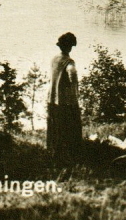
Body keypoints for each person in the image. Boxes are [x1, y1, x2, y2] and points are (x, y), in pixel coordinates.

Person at [47, 32, 82, 161]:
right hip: (65, 101)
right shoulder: (69, 61)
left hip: (52, 98)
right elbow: (72, 73)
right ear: (70, 47)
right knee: (69, 128)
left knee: (54, 127)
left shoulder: (54, 59)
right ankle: (70, 155)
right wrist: (75, 89)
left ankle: (53, 152)